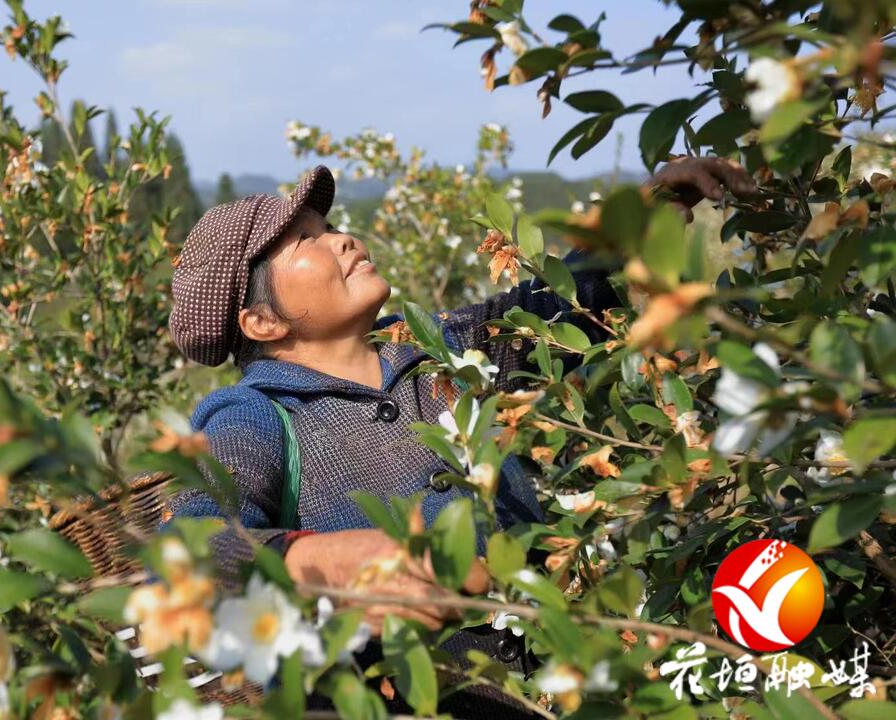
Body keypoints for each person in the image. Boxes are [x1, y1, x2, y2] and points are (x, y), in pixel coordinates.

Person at [163, 158, 754, 714]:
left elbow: (554, 309)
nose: (341, 239)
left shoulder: (434, 347)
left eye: (330, 227)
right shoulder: (254, 416)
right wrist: (322, 561)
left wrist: (647, 211)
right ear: (262, 321)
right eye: (304, 241)